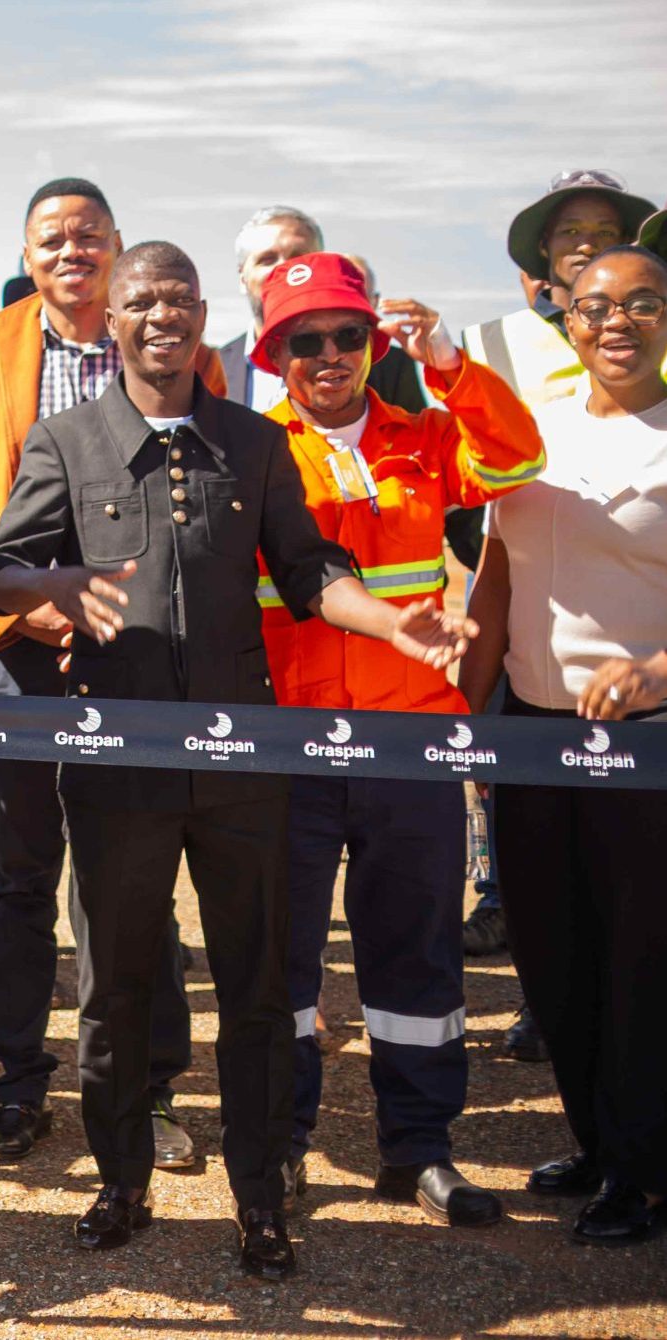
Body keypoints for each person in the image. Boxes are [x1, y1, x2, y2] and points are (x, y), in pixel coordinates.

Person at [0, 241, 476, 1280]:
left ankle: (259, 1194)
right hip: (117, 760)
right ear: (112, 319)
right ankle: (120, 1180)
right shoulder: (65, 440)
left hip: (242, 759)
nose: (160, 316)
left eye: (177, 300)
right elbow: (1, 572)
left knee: (253, 985)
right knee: (115, 983)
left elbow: (306, 571)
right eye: (140, 301)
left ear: (202, 316)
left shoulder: (252, 442)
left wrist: (390, 623)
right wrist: (57, 585)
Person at [250, 252, 544, 1228]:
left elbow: (516, 461)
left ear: (373, 343)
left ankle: (418, 1146)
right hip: (290, 746)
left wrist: (450, 366)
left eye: (347, 335)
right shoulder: (254, 451)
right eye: (304, 340)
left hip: (409, 742)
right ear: (275, 355)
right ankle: (281, 1142)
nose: (328, 354)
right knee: (281, 959)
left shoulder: (424, 435)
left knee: (416, 954)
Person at [0, 178, 209, 1169]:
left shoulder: (176, 349)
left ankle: (149, 1088)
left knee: (135, 878)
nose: (70, 252)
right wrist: (34, 607)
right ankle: (18, 1086)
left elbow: (204, 488)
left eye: (87, 235)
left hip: (139, 654)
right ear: (25, 253)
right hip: (19, 651)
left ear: (115, 245)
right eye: (49, 238)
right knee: (21, 880)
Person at [459, 245, 667, 1246]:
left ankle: (643, 1167)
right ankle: (595, 1138)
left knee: (640, 958)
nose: (615, 321)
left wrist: (656, 673)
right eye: (594, 306)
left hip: (646, 745)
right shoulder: (529, 433)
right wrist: (460, 718)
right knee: (551, 950)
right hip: (531, 737)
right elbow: (494, 581)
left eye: (641, 303)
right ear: (565, 319)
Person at [463, 170, 658, 409]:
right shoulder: (489, 341)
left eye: (605, 232)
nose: (587, 246)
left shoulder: (655, 327)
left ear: (626, 244)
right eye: (571, 231)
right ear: (544, 244)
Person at [217, 208, 429, 416]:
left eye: (298, 258)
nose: (283, 269)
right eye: (267, 259)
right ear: (242, 277)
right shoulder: (209, 368)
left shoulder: (389, 364)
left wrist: (445, 367)